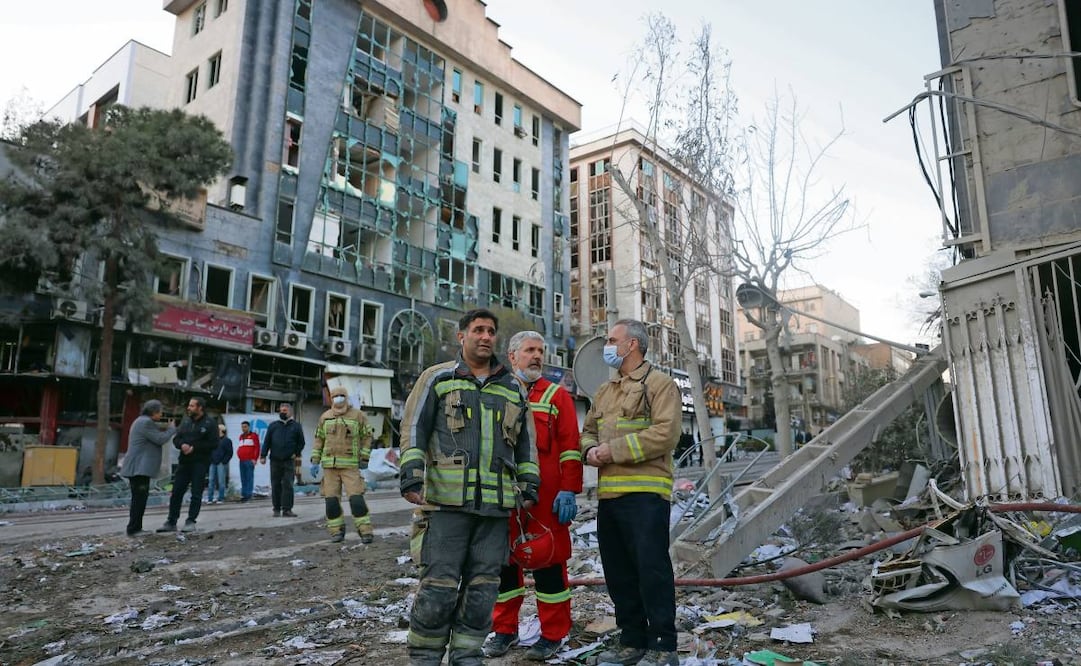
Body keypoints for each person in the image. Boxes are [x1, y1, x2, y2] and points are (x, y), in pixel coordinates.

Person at [399, 308, 540, 666]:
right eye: (478, 329)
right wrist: (411, 473)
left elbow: (526, 445)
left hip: (494, 509)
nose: (485, 336)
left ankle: (466, 654)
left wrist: (529, 485)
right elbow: (414, 427)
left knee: (483, 590)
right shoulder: (438, 378)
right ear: (461, 336)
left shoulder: (512, 388)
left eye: (491, 331)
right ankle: (426, 657)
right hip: (446, 506)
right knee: (438, 589)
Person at [582, 319, 682, 666]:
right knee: (619, 573)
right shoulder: (605, 391)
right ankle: (631, 641)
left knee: (651, 571)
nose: (607, 346)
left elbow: (665, 435)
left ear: (632, 345)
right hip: (610, 497)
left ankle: (663, 647)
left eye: (612, 340)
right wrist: (589, 450)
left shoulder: (660, 384)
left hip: (646, 496)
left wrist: (612, 451)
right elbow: (588, 431)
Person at [484, 331, 582, 661]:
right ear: (512, 356)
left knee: (550, 567)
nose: (537, 356)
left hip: (546, 500)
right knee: (504, 567)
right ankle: (505, 631)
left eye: (540, 351)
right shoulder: (496, 393)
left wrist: (569, 489)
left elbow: (570, 447)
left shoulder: (557, 396)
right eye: (529, 350)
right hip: (504, 499)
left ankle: (553, 634)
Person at [310, 386, 375, 543]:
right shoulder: (325, 417)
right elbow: (319, 439)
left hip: (350, 466)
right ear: (331, 398)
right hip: (329, 467)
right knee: (331, 501)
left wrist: (364, 458)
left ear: (346, 397)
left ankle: (365, 531)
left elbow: (367, 436)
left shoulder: (357, 416)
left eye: (341, 396)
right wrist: (314, 460)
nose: (338, 398)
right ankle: (336, 531)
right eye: (335, 396)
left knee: (356, 500)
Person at [157, 397, 219, 533]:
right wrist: (182, 445)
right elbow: (176, 439)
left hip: (200, 463)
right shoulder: (186, 422)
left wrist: (194, 447)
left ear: (200, 408)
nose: (188, 408)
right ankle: (171, 521)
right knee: (177, 492)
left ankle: (191, 521)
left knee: (196, 493)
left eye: (192, 406)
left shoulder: (210, 423)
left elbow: (214, 443)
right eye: (189, 405)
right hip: (184, 462)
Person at [120, 399, 177, 537]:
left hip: (138, 467)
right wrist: (171, 429)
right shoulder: (146, 422)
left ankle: (135, 527)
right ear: (153, 412)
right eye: (160, 412)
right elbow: (160, 439)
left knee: (139, 499)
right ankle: (134, 528)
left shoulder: (140, 421)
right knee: (139, 499)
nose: (161, 414)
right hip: (139, 468)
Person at [260, 403, 305, 517]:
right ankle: (276, 509)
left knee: (288, 485)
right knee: (275, 484)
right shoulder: (273, 426)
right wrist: (263, 455)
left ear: (290, 412)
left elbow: (301, 442)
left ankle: (287, 510)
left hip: (289, 461)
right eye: (281, 410)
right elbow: (267, 442)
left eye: (285, 410)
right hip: (275, 460)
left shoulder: (296, 426)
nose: (282, 412)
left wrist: (296, 453)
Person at [206, 424, 233, 504]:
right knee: (211, 480)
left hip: (221, 463)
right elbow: (209, 450)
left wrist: (224, 461)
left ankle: (221, 498)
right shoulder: (213, 440)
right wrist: (210, 459)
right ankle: (210, 498)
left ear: (221, 430)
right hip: (213, 463)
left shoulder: (227, 441)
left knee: (221, 481)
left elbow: (229, 452)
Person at [236, 420, 260, 502]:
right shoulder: (241, 436)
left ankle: (248, 495)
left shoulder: (254, 435)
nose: (243, 428)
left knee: (249, 478)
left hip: (249, 460)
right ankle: (244, 495)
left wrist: (255, 459)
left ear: (249, 427)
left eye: (245, 427)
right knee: (243, 478)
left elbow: (257, 447)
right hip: (241, 460)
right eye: (242, 427)